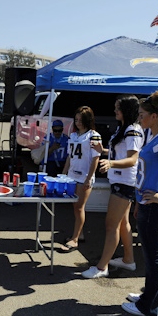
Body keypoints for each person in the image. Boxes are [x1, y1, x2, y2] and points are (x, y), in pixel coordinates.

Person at [121, 84, 158, 316]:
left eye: (143, 116)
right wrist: (138, 203)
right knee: (157, 256)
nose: (140, 119)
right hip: (148, 205)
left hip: (156, 207)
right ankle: (151, 298)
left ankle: (148, 307)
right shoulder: (155, 136)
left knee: (154, 258)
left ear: (154, 117)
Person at [81, 95, 144, 279]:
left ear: (126, 110)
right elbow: (122, 152)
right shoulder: (126, 129)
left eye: (118, 108)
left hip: (125, 183)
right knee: (122, 223)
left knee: (111, 225)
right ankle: (128, 260)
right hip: (120, 182)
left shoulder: (133, 130)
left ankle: (102, 267)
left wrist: (111, 163)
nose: (115, 111)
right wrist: (103, 152)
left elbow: (133, 159)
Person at [59, 106, 101, 252]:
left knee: (79, 207)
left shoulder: (93, 135)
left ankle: (75, 238)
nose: (78, 123)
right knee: (75, 207)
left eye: (81, 120)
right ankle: (79, 234)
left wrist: (89, 178)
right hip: (72, 176)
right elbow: (70, 157)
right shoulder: (73, 135)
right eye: (76, 120)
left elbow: (96, 159)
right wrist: (63, 175)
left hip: (84, 177)